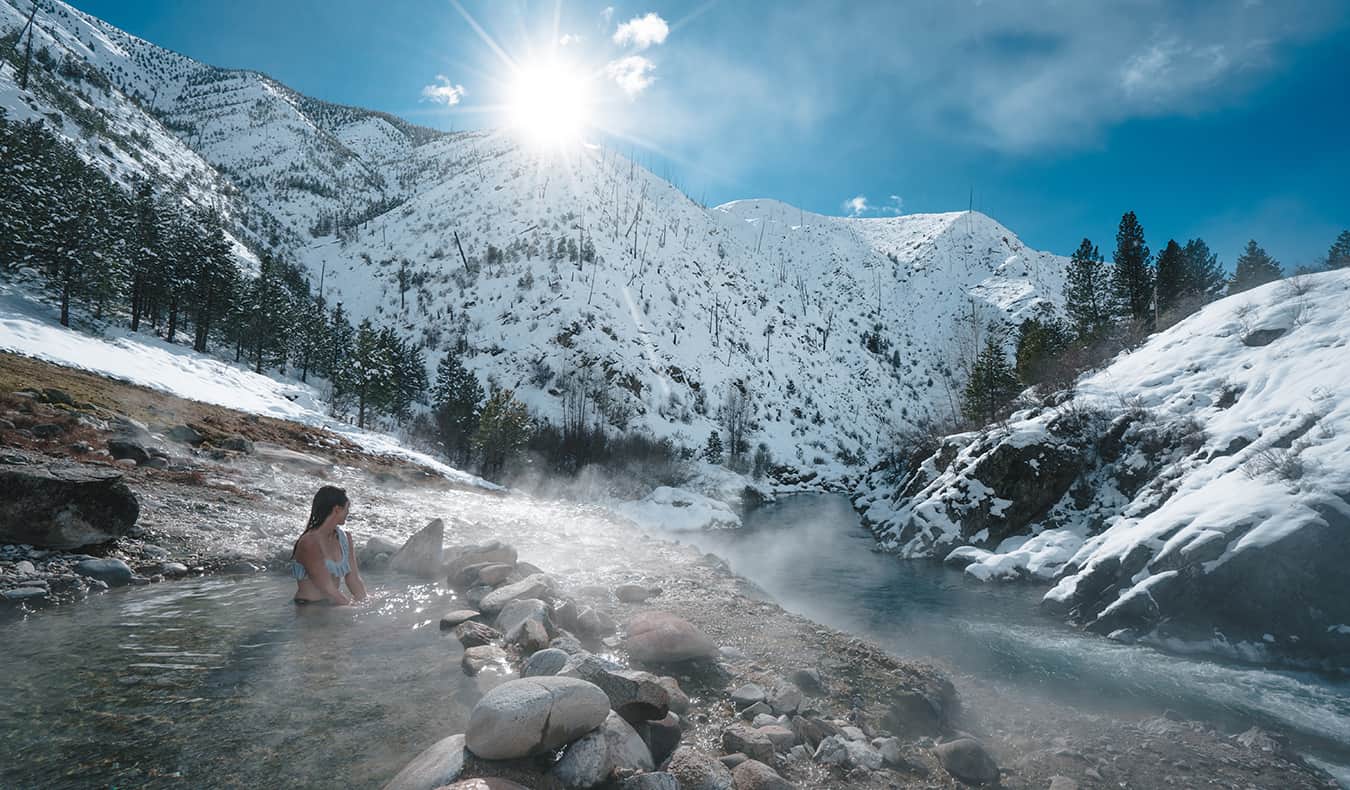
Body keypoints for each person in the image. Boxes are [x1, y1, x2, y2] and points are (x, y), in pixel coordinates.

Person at [291, 485, 367, 606]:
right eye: (347, 508)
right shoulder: (309, 542)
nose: (348, 512)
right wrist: (352, 609)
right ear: (337, 509)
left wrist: (365, 602)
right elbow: (327, 588)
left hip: (332, 605)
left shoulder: (345, 538)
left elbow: (354, 579)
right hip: (309, 608)